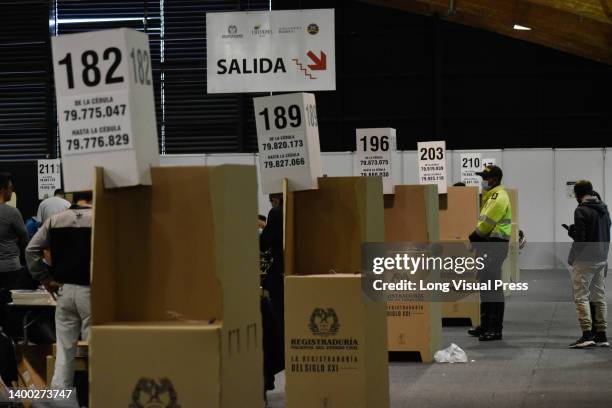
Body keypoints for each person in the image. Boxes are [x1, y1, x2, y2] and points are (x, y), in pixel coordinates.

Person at [26, 191, 93, 388]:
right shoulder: (100, 220)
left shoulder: (55, 220)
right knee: (95, 353)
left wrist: (45, 278)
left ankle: (59, 399)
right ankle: (94, 398)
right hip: (91, 293)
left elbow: (31, 250)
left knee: (64, 353)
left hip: (64, 291)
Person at [467, 165, 512, 341]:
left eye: (485, 178)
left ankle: (495, 329)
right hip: (489, 246)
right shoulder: (491, 196)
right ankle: (486, 325)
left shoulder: (498, 197)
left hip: (495, 245)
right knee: (486, 285)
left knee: (493, 287)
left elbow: (485, 225)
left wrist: (473, 237)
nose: (483, 181)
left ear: (494, 179)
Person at [567, 181, 610, 348]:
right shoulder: (604, 209)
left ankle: (586, 335)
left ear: (578, 194)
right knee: (599, 297)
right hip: (601, 258)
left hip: (585, 260)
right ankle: (601, 334)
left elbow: (581, 240)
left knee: (581, 296)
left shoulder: (581, 210)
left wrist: (572, 256)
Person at [260, 193, 284, 393]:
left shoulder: (276, 213)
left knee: (274, 322)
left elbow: (264, 243)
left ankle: (268, 374)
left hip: (280, 278)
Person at [0, 173, 29, 331]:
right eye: (10, 187)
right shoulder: (12, 212)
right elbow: (25, 239)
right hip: (10, 268)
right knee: (10, 308)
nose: (12, 190)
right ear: (3, 190)